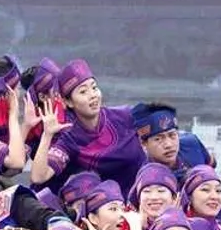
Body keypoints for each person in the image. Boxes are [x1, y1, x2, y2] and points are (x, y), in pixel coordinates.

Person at [30, 59, 146, 197]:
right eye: (83, 92)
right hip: (106, 206)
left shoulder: (125, 116)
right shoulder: (70, 137)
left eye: (94, 87)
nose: (93, 95)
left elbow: (162, 127)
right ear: (68, 102)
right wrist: (47, 135)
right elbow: (39, 177)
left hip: (144, 194)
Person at [130, 102, 214, 185]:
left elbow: (211, 165)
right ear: (143, 143)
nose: (168, 145)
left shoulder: (192, 144)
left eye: (172, 135)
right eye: (158, 139)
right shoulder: (146, 176)